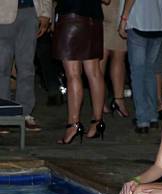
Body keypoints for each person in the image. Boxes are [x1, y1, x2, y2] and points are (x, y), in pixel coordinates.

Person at [53, 0, 107, 144]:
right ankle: (97, 122)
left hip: (71, 16)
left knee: (73, 74)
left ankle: (73, 124)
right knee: (94, 72)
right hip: (94, 18)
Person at [0, 0, 51, 132]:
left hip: (30, 11)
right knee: (2, 67)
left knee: (26, 67)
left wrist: (45, 12)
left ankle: (24, 113)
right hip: (3, 13)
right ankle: (2, 113)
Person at [119, 0, 162, 133]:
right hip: (159, 22)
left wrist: (124, 18)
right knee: (149, 71)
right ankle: (152, 116)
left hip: (139, 22)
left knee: (138, 73)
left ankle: (143, 119)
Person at [101, 0, 129, 118]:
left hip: (105, 8)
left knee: (102, 56)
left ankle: (100, 100)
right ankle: (118, 100)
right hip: (116, 7)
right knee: (117, 56)